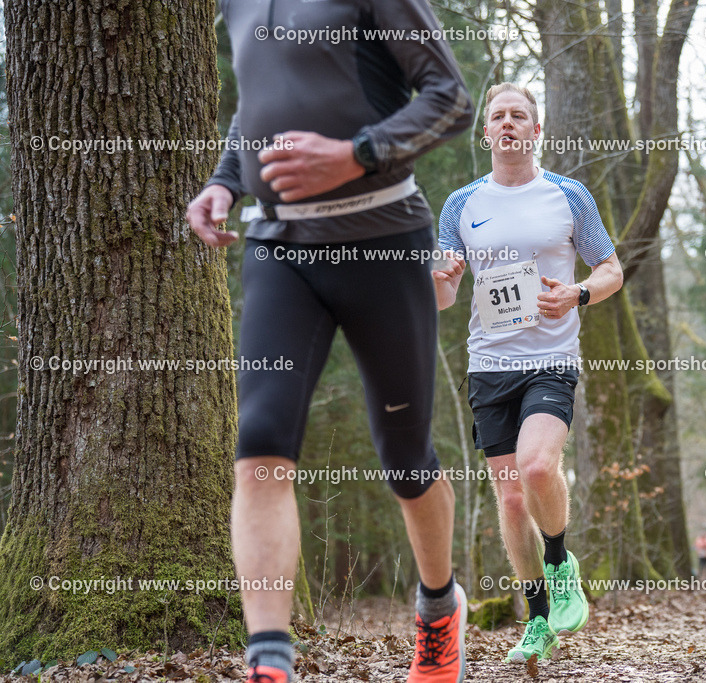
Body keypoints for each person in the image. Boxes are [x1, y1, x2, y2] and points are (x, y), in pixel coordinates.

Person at [186, 2, 474, 681]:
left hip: (383, 236)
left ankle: (439, 609)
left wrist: (355, 155)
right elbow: (258, 102)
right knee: (259, 441)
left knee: (406, 456)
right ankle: (269, 660)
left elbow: (451, 100)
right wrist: (225, 180)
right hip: (279, 244)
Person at [431, 83, 623, 663]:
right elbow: (442, 298)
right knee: (511, 499)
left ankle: (561, 563)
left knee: (537, 466)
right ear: (486, 132)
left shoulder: (568, 195)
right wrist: (442, 278)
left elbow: (611, 270)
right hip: (489, 365)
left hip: (551, 361)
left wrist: (577, 294)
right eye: (499, 117)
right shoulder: (461, 205)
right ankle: (537, 619)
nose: (508, 124)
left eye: (519, 116)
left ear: (536, 131)